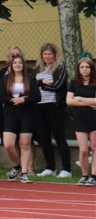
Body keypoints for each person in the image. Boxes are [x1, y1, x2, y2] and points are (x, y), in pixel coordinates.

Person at [0, 54, 40, 183]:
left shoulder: (30, 79)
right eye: (15, 62)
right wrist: (12, 100)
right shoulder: (5, 79)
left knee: (25, 144)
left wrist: (24, 99)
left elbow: (37, 97)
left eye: (20, 63)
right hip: (10, 114)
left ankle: (25, 173)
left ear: (23, 65)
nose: (17, 65)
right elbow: (1, 97)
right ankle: (16, 166)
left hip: (26, 114)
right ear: (11, 65)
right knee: (8, 144)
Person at [34, 43, 72, 178]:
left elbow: (57, 86)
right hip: (40, 106)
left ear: (54, 55)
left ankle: (67, 169)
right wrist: (42, 82)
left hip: (55, 107)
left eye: (50, 54)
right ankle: (50, 167)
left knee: (59, 137)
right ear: (42, 55)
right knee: (44, 138)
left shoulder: (60, 69)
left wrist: (41, 84)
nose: (47, 56)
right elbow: (33, 85)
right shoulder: (38, 69)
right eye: (45, 54)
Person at [66, 58, 96, 186]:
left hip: (94, 119)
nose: (85, 69)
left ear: (91, 69)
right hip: (80, 120)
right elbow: (69, 101)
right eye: (82, 67)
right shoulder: (73, 83)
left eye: (87, 67)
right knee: (83, 150)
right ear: (78, 69)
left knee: (94, 147)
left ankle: (94, 176)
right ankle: (84, 175)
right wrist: (89, 101)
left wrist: (79, 99)